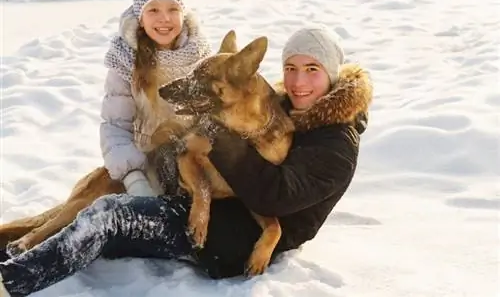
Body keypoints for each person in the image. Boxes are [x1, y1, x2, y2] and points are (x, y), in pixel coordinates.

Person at [0, 26, 372, 296]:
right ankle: (16, 245)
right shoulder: (282, 109)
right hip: (207, 205)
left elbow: (273, 197)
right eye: (291, 68)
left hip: (232, 241)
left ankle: (13, 281)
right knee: (86, 213)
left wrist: (216, 143)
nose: (297, 81)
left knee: (111, 216)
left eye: (312, 70)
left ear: (332, 74)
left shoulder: (337, 144)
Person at [101, 0, 211, 196]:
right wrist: (134, 178)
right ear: (140, 18)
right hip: (146, 163)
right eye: (153, 10)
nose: (164, 19)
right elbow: (114, 126)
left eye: (173, 9)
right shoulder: (126, 61)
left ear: (184, 14)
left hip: (194, 159)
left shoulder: (202, 56)